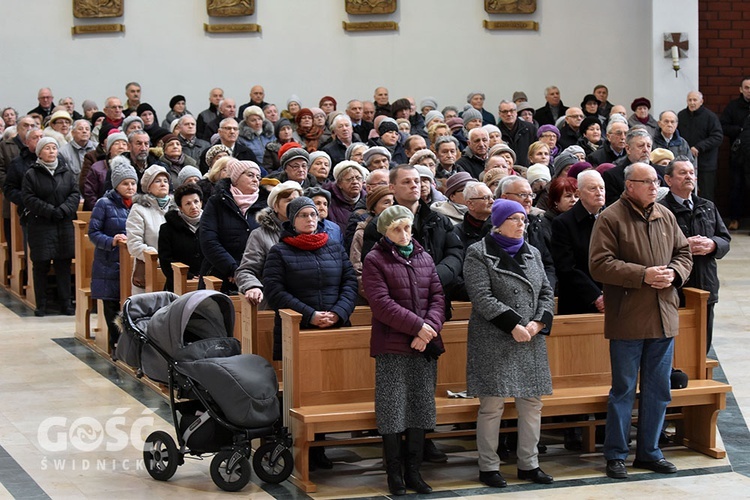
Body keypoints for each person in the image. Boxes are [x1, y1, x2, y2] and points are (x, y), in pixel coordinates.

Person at [589, 162, 692, 480]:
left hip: (663, 315)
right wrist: (642, 274)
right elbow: (599, 264)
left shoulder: (665, 214)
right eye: (646, 182)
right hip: (628, 317)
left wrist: (674, 274)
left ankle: (649, 452)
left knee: (659, 389)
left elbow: (684, 252)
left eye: (655, 181)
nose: (653, 186)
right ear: (629, 185)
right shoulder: (611, 217)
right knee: (623, 389)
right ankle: (616, 454)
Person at [465, 198, 555, 488]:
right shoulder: (478, 253)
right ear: (499, 223)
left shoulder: (533, 253)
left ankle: (529, 464)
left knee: (531, 403)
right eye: (515, 219)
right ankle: (488, 466)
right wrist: (512, 325)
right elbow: (481, 297)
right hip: (494, 338)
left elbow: (545, 291)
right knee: (492, 406)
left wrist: (539, 322)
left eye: (524, 219)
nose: (522, 224)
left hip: (529, 338)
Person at [263, 196, 358, 469]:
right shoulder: (279, 252)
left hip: (334, 327)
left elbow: (349, 281)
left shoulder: (334, 247)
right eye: (304, 215)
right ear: (292, 221)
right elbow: (275, 291)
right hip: (299, 329)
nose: (310, 219)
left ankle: (321, 446)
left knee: (327, 387)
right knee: (302, 389)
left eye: (314, 215)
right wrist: (311, 315)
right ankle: (294, 444)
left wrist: (338, 312)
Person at [362, 205, 445, 496]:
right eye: (397, 229)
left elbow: (437, 296)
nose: (404, 233)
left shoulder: (423, 256)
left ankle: (414, 472)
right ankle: (394, 474)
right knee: (392, 410)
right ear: (385, 231)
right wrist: (417, 328)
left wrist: (428, 330)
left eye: (407, 227)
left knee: (421, 408)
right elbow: (381, 304)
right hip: (392, 346)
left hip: (423, 345)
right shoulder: (375, 259)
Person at [660, 157, 730, 353]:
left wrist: (712, 244)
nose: (689, 176)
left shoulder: (707, 206)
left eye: (691, 173)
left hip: (706, 283)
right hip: (677, 286)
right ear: (668, 179)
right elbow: (654, 247)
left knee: (703, 341)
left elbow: (725, 238)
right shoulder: (662, 210)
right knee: (677, 343)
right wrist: (683, 246)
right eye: (682, 173)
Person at [22, 137, 79, 316]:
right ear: (39, 153)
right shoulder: (31, 174)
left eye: (54, 148)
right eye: (47, 148)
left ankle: (66, 302)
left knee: (63, 264)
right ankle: (42, 303)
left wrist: (62, 210)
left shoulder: (66, 172)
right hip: (41, 224)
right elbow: (29, 198)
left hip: (63, 224)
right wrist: (49, 211)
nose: (52, 151)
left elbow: (74, 194)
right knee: (41, 265)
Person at [88, 160, 137, 352]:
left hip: (129, 263)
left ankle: (129, 343)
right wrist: (111, 240)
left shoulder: (139, 203)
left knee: (128, 303)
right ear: (116, 185)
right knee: (111, 303)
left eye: (133, 183)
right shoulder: (104, 204)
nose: (130, 187)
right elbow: (93, 233)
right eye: (126, 183)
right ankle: (115, 342)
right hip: (108, 263)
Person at [200, 160, 268, 293]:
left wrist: (251, 274)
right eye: (250, 175)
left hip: (257, 277)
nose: (255, 180)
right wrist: (233, 269)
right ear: (236, 178)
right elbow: (208, 240)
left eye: (258, 177)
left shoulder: (266, 206)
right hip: (220, 274)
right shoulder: (217, 202)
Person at [235, 180, 303, 308]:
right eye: (288, 201)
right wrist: (252, 286)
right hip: (274, 302)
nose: (293, 205)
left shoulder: (311, 232)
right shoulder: (260, 235)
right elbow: (246, 270)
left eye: (296, 201)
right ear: (275, 206)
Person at [551, 170, 606, 314]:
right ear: (579, 193)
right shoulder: (563, 223)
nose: (599, 192)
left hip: (614, 297)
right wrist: (596, 296)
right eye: (592, 188)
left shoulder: (613, 218)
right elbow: (566, 267)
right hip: (580, 301)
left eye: (602, 188)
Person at [126, 164, 175, 295]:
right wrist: (155, 257)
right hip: (150, 269)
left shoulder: (176, 208)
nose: (163, 184)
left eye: (165, 181)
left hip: (175, 269)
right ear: (148, 187)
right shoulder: (139, 209)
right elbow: (133, 244)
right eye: (157, 181)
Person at [677, 91, 723, 202]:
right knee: (685, 191)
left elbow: (717, 137)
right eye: (689, 100)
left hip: (706, 163)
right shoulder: (681, 116)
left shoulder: (710, 117)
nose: (692, 103)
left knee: (706, 193)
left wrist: (699, 147)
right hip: (686, 162)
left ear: (701, 102)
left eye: (695, 100)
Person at [158, 183, 204, 292]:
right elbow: (166, 260)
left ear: (201, 203)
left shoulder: (211, 225)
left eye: (196, 202)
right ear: (180, 207)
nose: (193, 206)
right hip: (177, 284)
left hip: (207, 280)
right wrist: (188, 275)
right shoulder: (167, 229)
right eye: (188, 204)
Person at [350, 186, 393, 299]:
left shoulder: (405, 231)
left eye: (394, 202)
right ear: (373, 209)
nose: (391, 206)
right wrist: (375, 296)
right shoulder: (362, 232)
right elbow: (357, 269)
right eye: (386, 202)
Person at [719, 77, 750, 230]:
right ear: (741, 89)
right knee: (736, 188)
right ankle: (734, 219)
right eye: (746, 88)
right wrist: (740, 131)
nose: (749, 91)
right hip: (738, 156)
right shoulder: (733, 107)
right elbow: (723, 126)